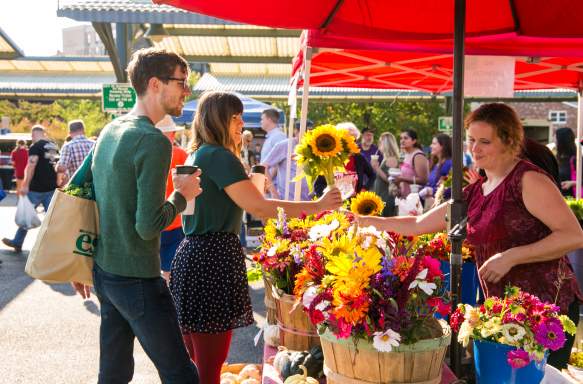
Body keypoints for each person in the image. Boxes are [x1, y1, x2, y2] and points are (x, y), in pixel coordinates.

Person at [359, 103, 583, 369]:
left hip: (546, 310)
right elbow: (419, 223)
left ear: (508, 141)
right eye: (471, 140)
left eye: (485, 141)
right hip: (502, 312)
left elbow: (573, 235)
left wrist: (511, 257)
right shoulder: (476, 191)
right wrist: (367, 221)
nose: (474, 149)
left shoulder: (528, 180)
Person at [170, 91, 342, 384]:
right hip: (213, 259)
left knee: (197, 364)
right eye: (234, 117)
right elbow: (259, 207)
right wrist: (318, 206)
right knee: (209, 367)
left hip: (192, 256)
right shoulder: (219, 155)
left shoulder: (198, 152)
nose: (240, 123)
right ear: (218, 119)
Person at [70, 48, 202, 384]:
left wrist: (76, 260)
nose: (187, 91)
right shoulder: (152, 141)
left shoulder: (110, 130)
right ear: (156, 84)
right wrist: (181, 194)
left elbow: (75, 190)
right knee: (181, 374)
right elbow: (148, 226)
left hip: (105, 272)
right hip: (138, 279)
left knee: (113, 373)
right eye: (182, 83)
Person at [2, 125, 58, 253]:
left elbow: (31, 165)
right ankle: (54, 246)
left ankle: (17, 242)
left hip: (36, 189)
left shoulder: (35, 146)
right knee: (52, 219)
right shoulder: (52, 145)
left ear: (33, 135)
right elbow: (54, 165)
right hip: (50, 187)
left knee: (27, 215)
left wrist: (25, 184)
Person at [156, 115, 189, 282]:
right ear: (173, 134)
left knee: (152, 271)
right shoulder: (182, 155)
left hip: (152, 222)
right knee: (171, 271)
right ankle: (170, 303)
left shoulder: (145, 155)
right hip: (176, 219)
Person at [261, 120, 312, 201]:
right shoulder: (284, 145)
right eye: (305, 133)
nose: (308, 137)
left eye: (310, 134)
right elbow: (263, 167)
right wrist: (274, 194)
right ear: (296, 131)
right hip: (286, 201)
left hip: (308, 201)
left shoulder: (313, 147)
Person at [55, 119, 95, 185]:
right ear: (83, 130)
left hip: (76, 188)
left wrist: (56, 167)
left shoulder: (68, 146)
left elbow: (62, 168)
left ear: (69, 132)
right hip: (93, 186)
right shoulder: (94, 144)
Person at [371, 132, 400, 217]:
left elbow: (391, 180)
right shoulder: (386, 158)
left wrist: (377, 168)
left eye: (380, 142)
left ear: (386, 144)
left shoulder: (391, 159)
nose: (378, 144)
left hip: (387, 198)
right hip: (382, 197)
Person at [395, 129, 429, 197]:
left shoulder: (418, 155)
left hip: (415, 199)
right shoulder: (404, 154)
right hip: (404, 198)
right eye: (401, 138)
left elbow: (423, 180)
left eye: (406, 138)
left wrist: (402, 179)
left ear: (414, 141)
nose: (402, 141)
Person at [260, 108, 286, 194]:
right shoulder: (272, 136)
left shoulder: (278, 136)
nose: (261, 121)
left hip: (273, 189)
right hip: (268, 186)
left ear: (269, 120)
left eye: (262, 119)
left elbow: (277, 163)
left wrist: (267, 184)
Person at [422, 133, 452, 200]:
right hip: (433, 203)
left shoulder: (449, 164)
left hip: (443, 205)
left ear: (443, 146)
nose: (431, 146)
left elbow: (451, 188)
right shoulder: (435, 164)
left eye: (434, 143)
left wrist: (432, 191)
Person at [555, 127, 579, 196]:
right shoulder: (558, 159)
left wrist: (572, 183)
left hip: (574, 202)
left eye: (556, 139)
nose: (555, 141)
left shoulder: (577, 160)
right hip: (560, 199)